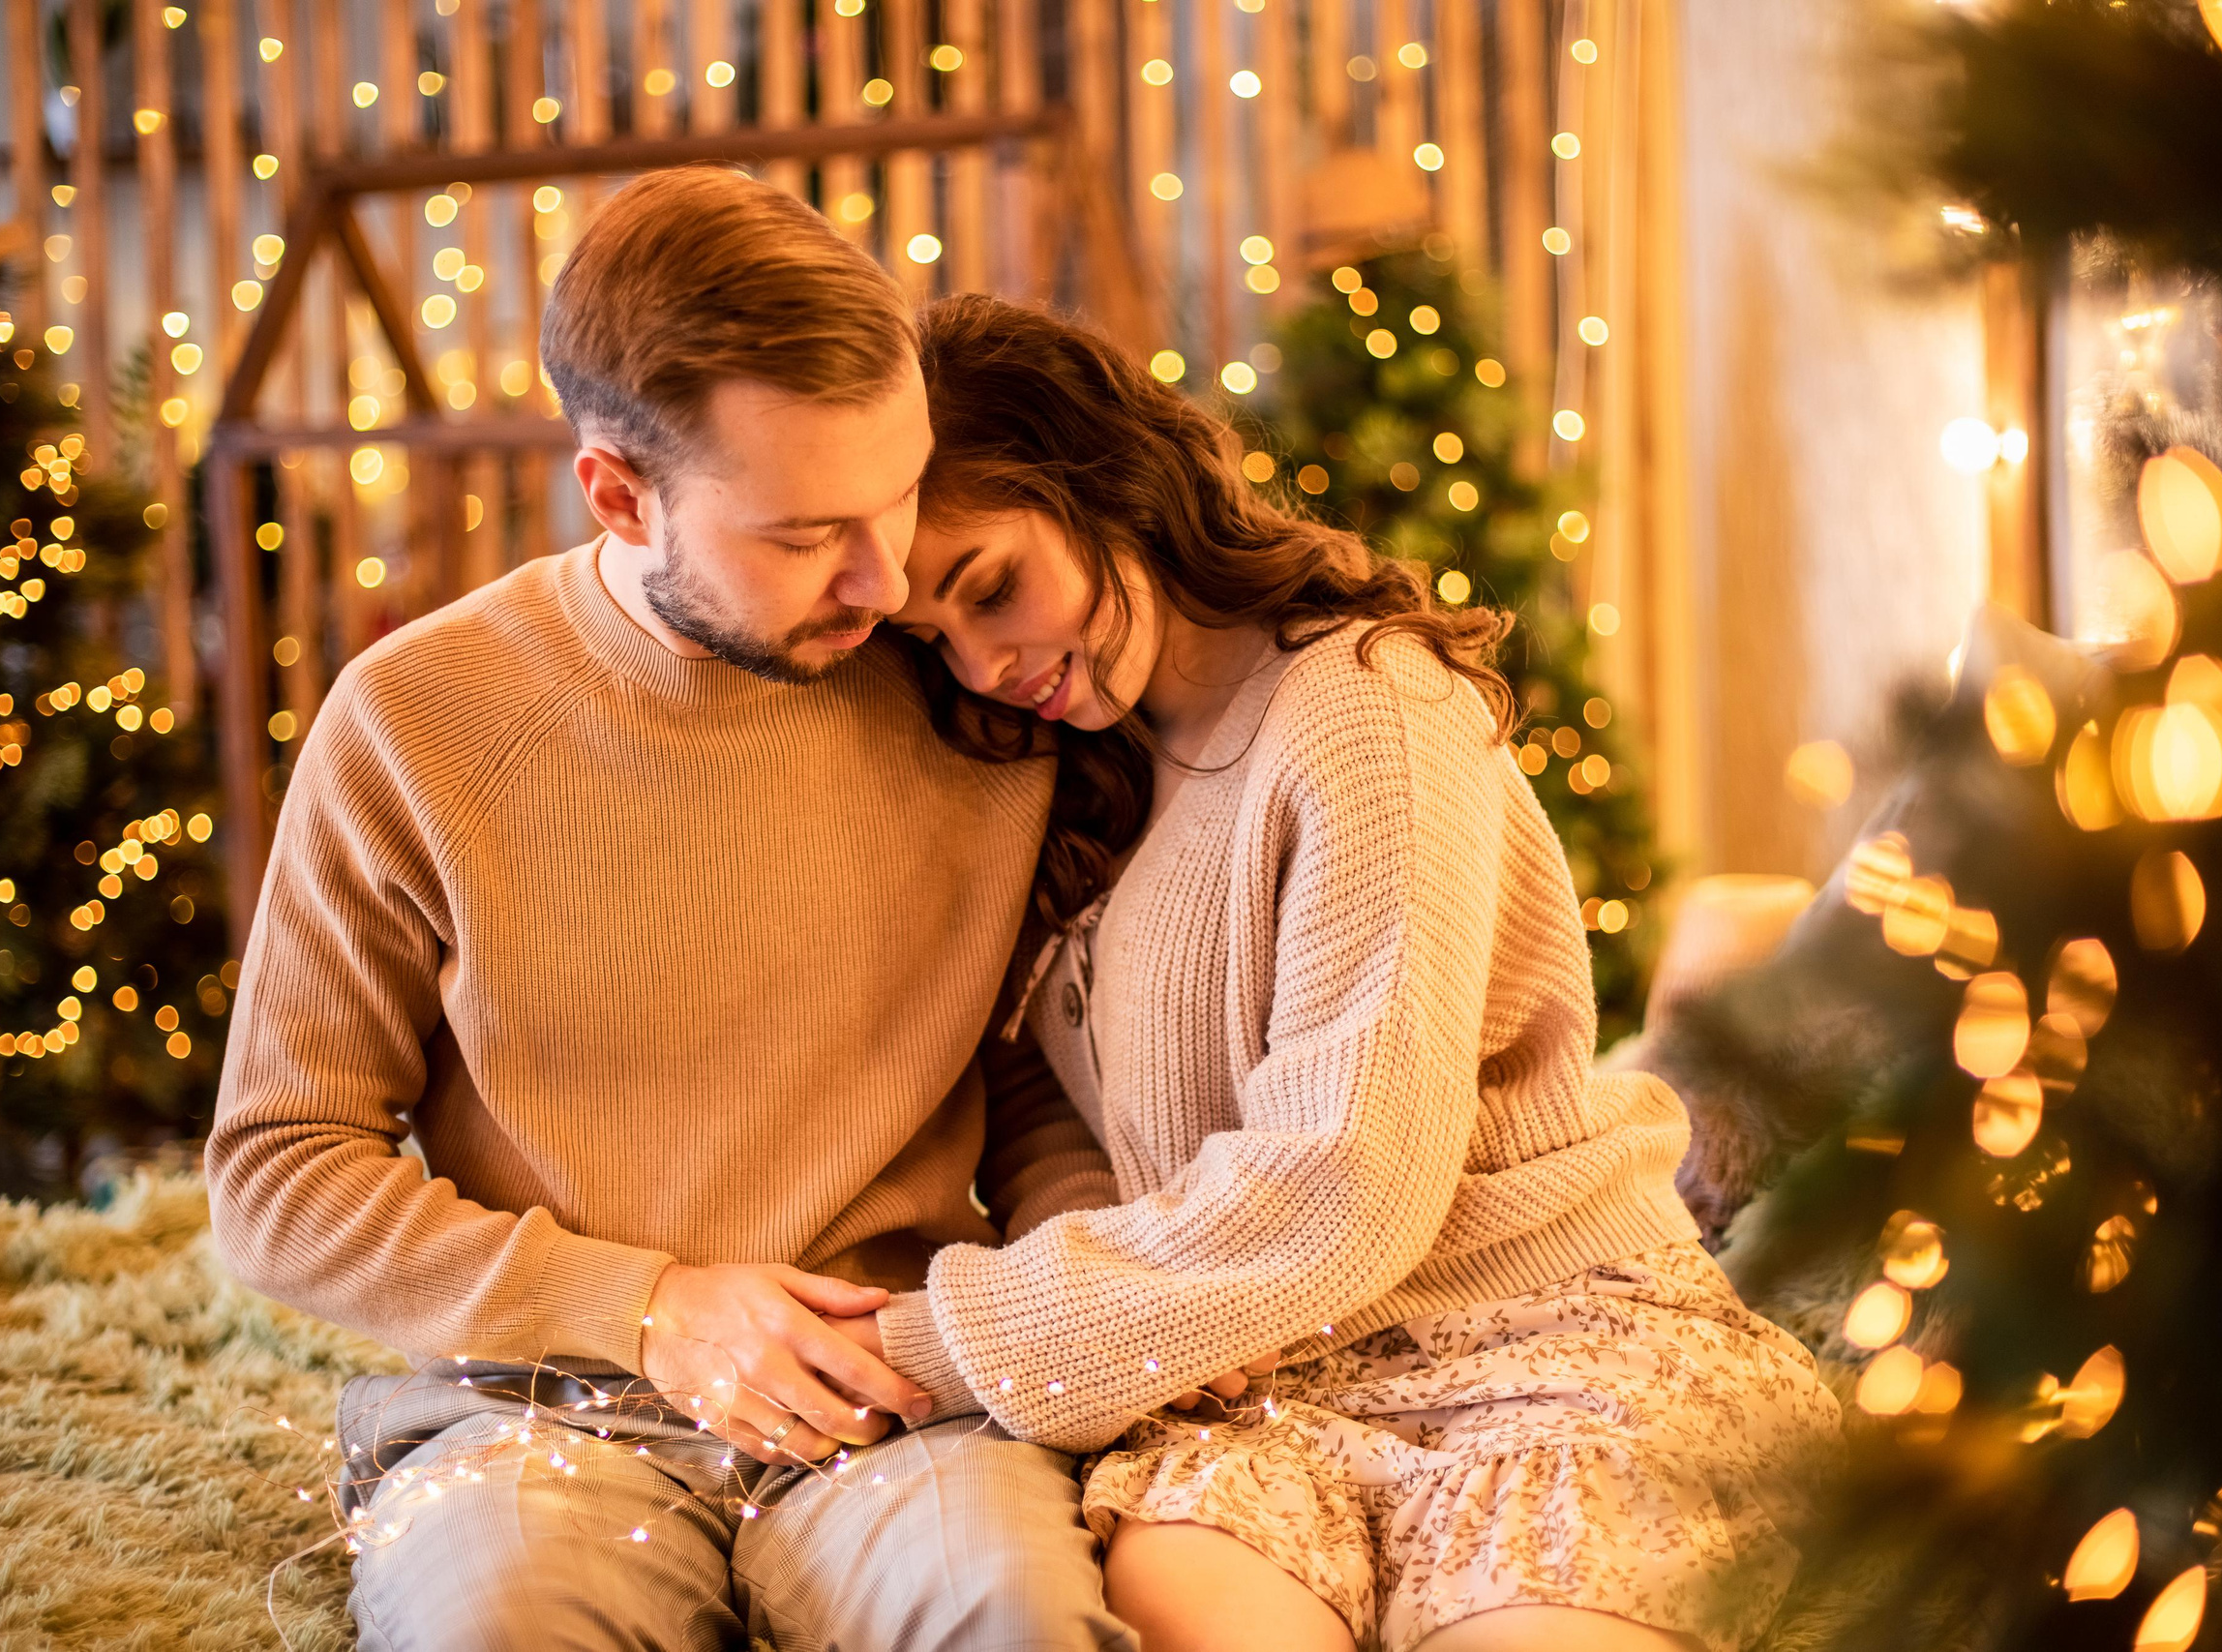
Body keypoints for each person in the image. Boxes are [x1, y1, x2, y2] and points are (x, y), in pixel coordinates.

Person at [205, 170, 1141, 1651]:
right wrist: (645, 1306)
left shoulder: (964, 674)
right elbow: (276, 1171)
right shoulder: (418, 720)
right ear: (619, 493)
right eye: (803, 533)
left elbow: (1029, 1076)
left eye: (897, 495)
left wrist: (1037, 1322)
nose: (886, 578)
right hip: (535, 1408)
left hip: (892, 1397)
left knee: (1020, 1623)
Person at [852, 295, 1842, 1652]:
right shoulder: (1071, 764)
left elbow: (1347, 1183)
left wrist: (923, 1343)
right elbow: (1050, 1118)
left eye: (991, 587)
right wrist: (1143, 1291)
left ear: (1105, 481)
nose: (986, 662)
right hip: (1246, 1381)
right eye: (935, 638)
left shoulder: (1369, 707)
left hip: (1538, 1345)